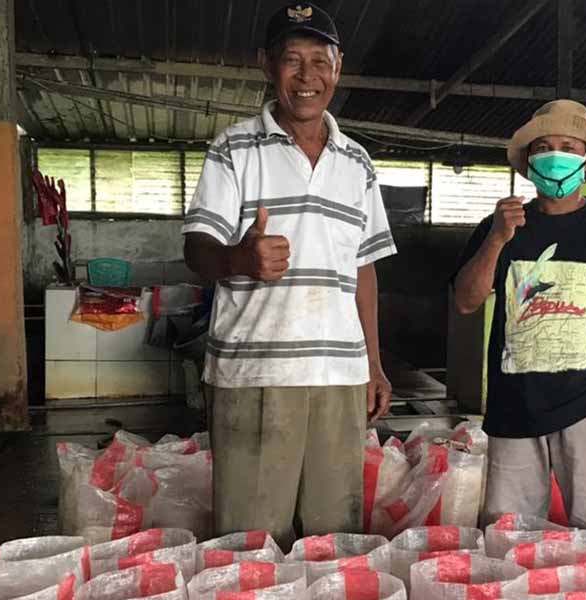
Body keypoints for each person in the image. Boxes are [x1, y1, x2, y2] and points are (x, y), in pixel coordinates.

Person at [181, 2, 396, 546]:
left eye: (319, 61)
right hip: (255, 377)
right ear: (266, 65)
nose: (307, 77)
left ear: (338, 67)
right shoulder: (232, 149)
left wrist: (373, 363)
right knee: (251, 543)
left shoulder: (358, 163)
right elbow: (196, 249)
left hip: (340, 379)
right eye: (291, 60)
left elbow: (363, 268)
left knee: (334, 538)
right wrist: (240, 259)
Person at [453, 100, 586, 528]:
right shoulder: (499, 225)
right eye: (544, 147)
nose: (555, 155)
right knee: (508, 538)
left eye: (569, 146)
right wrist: (497, 239)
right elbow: (465, 301)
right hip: (514, 412)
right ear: (529, 162)